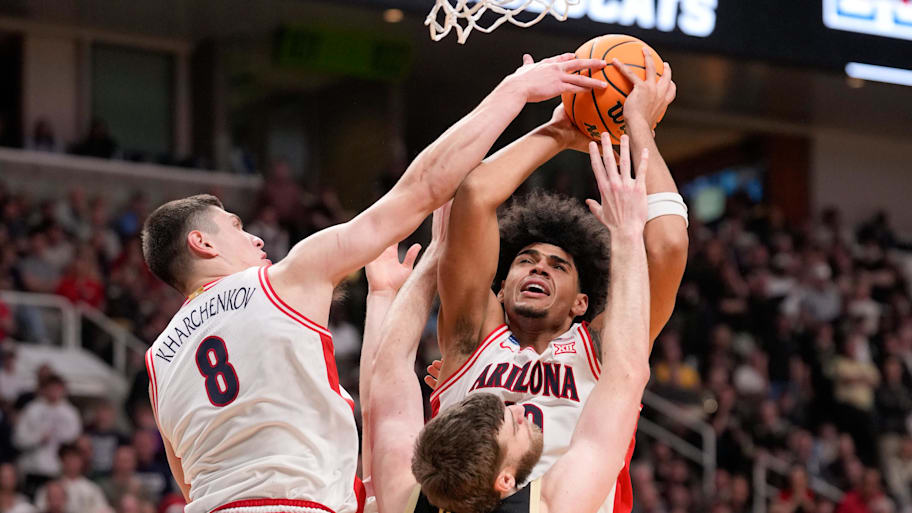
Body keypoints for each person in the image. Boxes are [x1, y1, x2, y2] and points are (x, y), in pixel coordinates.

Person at [140, 53, 609, 513]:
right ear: (202, 243)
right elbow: (421, 188)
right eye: (238, 228)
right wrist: (516, 92)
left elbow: (190, 484)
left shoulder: (159, 362)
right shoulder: (282, 279)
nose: (257, 239)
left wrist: (384, 297)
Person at [429, 50, 686, 511]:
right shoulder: (471, 336)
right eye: (525, 260)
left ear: (581, 305)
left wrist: (639, 127)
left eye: (558, 265)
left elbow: (666, 247)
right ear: (500, 287)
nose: (539, 267)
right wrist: (558, 130)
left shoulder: (606, 347)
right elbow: (474, 194)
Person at [367, 135, 653, 513]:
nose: (519, 407)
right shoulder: (405, 496)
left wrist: (428, 262)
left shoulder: (407, 496)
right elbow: (628, 373)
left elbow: (386, 374)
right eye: (514, 423)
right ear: (505, 480)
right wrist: (629, 235)